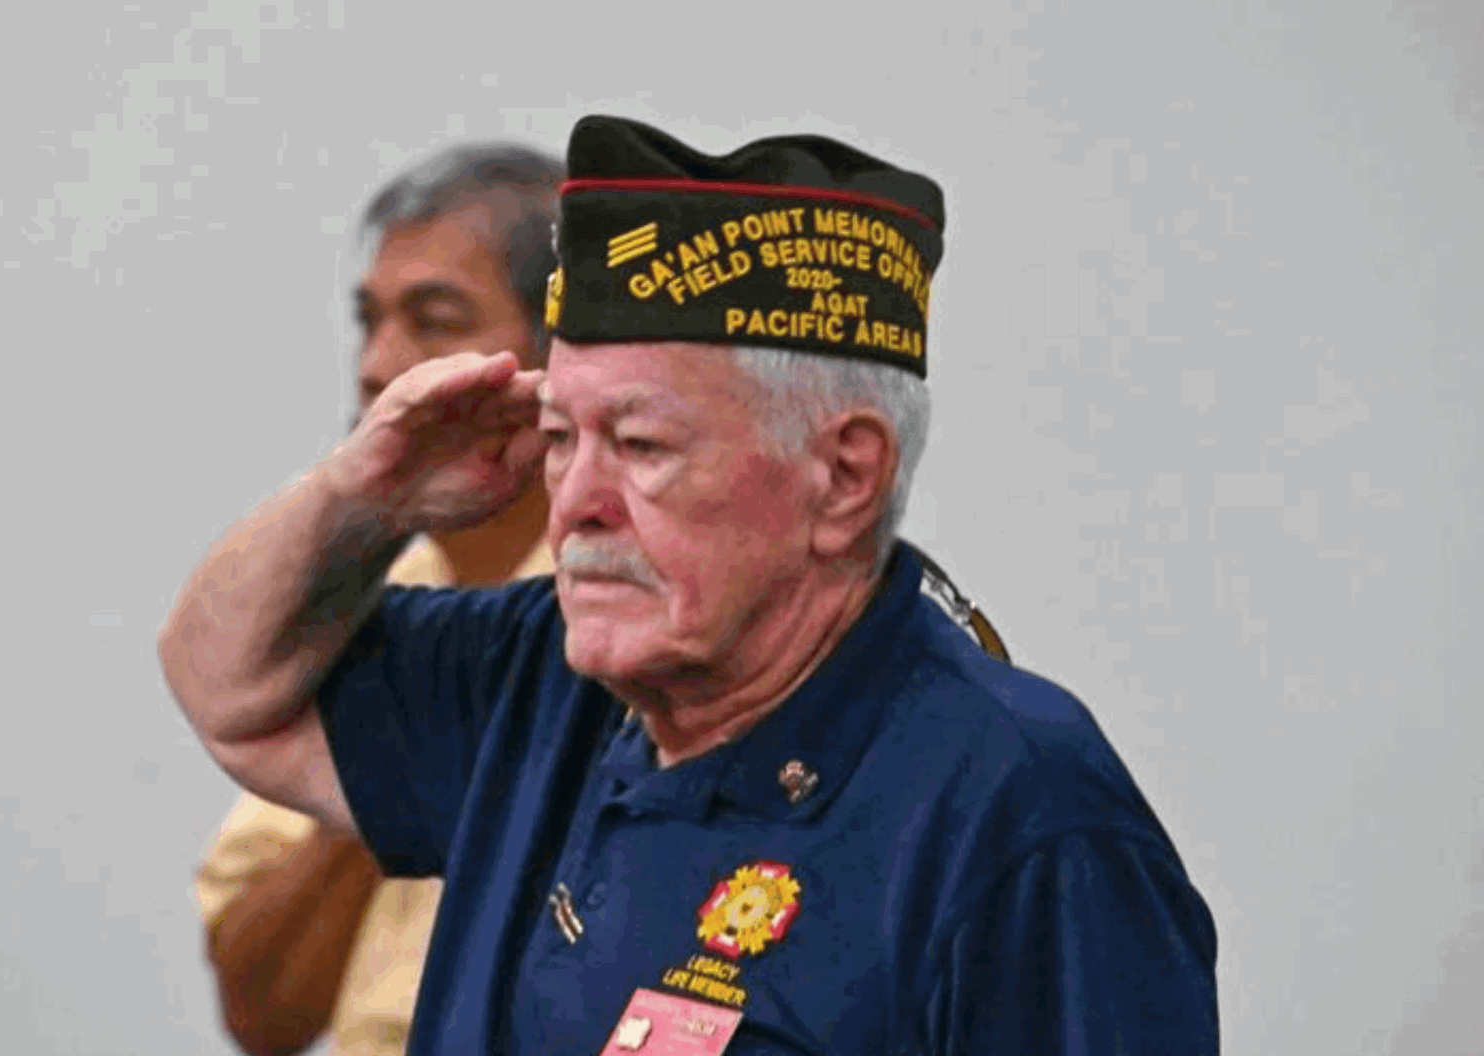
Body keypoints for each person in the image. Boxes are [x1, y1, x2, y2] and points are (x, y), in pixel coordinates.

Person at [161, 115, 1219, 1055]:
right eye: (558, 436)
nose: (575, 498)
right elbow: (228, 686)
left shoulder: (1018, 812)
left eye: (640, 444)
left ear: (844, 477)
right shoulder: (541, 675)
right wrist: (367, 493)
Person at [189, 144, 563, 1056]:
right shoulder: (373, 601)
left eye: (433, 322)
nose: (377, 366)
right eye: (369, 321)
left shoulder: (626, 626)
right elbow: (261, 1013)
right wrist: (391, 771)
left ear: (562, 358)